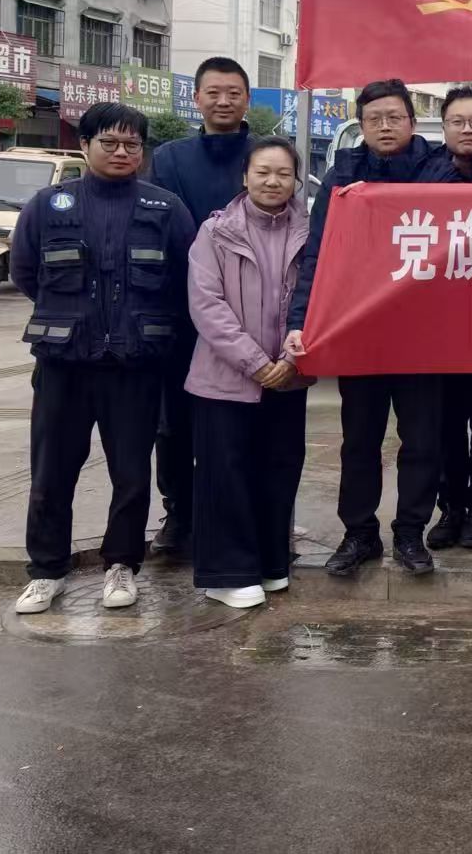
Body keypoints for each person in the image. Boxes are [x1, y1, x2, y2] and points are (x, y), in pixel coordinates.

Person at [10, 103, 195, 614]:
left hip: (135, 365)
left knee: (131, 475)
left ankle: (121, 565)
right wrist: (73, 317)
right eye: (109, 143)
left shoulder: (166, 208)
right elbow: (25, 271)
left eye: (132, 144)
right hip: (64, 364)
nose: (121, 152)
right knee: (51, 473)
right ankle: (47, 571)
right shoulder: (50, 204)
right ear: (85, 144)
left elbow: (187, 279)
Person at [284, 79, 443, 577]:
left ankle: (411, 533)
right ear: (361, 125)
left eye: (394, 117)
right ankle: (359, 534)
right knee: (359, 440)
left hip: (422, 335)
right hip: (362, 332)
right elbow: (318, 253)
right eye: (374, 119)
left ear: (411, 122)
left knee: (422, 440)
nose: (385, 127)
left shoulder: (439, 171)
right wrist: (300, 321)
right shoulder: (343, 174)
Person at [185, 138, 312, 609]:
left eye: (283, 173)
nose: (273, 181)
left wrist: (291, 361)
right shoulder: (216, 232)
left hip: (289, 376)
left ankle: (271, 563)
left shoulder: (311, 231)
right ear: (245, 177)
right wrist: (256, 362)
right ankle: (226, 574)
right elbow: (207, 305)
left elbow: (319, 298)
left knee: (279, 470)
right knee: (226, 474)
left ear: (296, 181)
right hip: (224, 379)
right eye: (263, 172)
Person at [144, 56, 252, 559]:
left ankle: (241, 515)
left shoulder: (265, 154)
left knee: (243, 420)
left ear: (247, 99)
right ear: (197, 98)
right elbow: (164, 229)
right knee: (175, 420)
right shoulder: (169, 157)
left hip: (251, 311)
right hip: (182, 311)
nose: (224, 101)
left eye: (234, 92)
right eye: (214, 92)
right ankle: (179, 513)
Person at [418, 86, 472, 552]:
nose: (467, 130)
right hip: (440, 323)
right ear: (444, 126)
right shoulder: (425, 174)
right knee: (446, 423)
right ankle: (450, 506)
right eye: (457, 122)